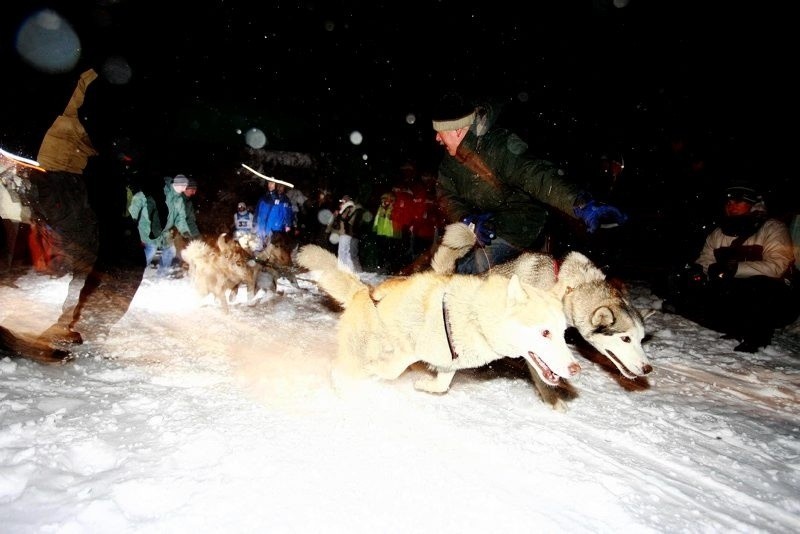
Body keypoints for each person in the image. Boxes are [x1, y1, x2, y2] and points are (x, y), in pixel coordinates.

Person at [431, 94, 628, 274]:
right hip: (485, 226)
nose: (437, 138)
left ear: (457, 131)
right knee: (453, 266)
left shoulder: (499, 147)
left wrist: (581, 204)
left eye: (440, 132)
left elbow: (537, 176)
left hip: (519, 225)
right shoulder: (450, 162)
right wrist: (468, 219)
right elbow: (445, 194)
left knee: (474, 269)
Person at [661, 182, 797, 353]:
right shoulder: (719, 232)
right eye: (729, 203)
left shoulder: (773, 228)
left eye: (738, 202)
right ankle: (731, 325)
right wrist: (698, 272)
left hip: (777, 298)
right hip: (732, 290)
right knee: (685, 283)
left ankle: (756, 336)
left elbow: (777, 267)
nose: (731, 207)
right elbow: (706, 260)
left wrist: (735, 269)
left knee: (758, 287)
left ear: (754, 205)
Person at [158, 174, 196, 277]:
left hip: (167, 230)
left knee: (170, 250)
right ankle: (132, 274)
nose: (186, 189)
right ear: (180, 185)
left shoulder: (180, 200)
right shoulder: (165, 193)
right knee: (151, 249)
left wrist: (185, 231)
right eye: (186, 186)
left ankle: (162, 273)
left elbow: (181, 218)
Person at [327, 194, 365, 272]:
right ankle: (349, 269)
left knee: (343, 252)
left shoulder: (349, 207)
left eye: (343, 201)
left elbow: (345, 219)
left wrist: (339, 214)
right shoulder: (348, 207)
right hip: (345, 232)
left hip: (346, 232)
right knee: (346, 252)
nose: (342, 202)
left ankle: (343, 269)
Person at [371, 191, 403, 273]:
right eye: (383, 199)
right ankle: (381, 266)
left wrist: (390, 212)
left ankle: (389, 267)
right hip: (381, 231)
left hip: (390, 232)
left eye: (385, 199)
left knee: (389, 251)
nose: (384, 201)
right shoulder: (382, 207)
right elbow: (378, 218)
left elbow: (396, 218)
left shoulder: (394, 206)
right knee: (381, 250)